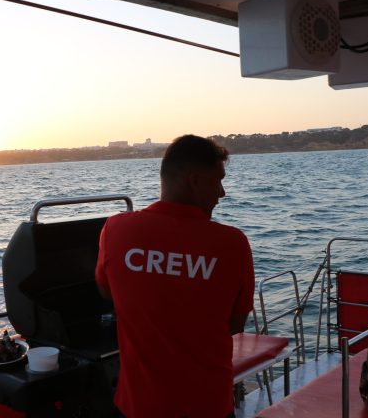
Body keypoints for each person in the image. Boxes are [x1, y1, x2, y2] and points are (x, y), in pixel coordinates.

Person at [95, 134, 255, 418]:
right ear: (194, 181)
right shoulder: (233, 244)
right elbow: (234, 323)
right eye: (218, 181)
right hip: (207, 407)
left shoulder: (115, 230)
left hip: (137, 407)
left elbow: (108, 293)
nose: (222, 193)